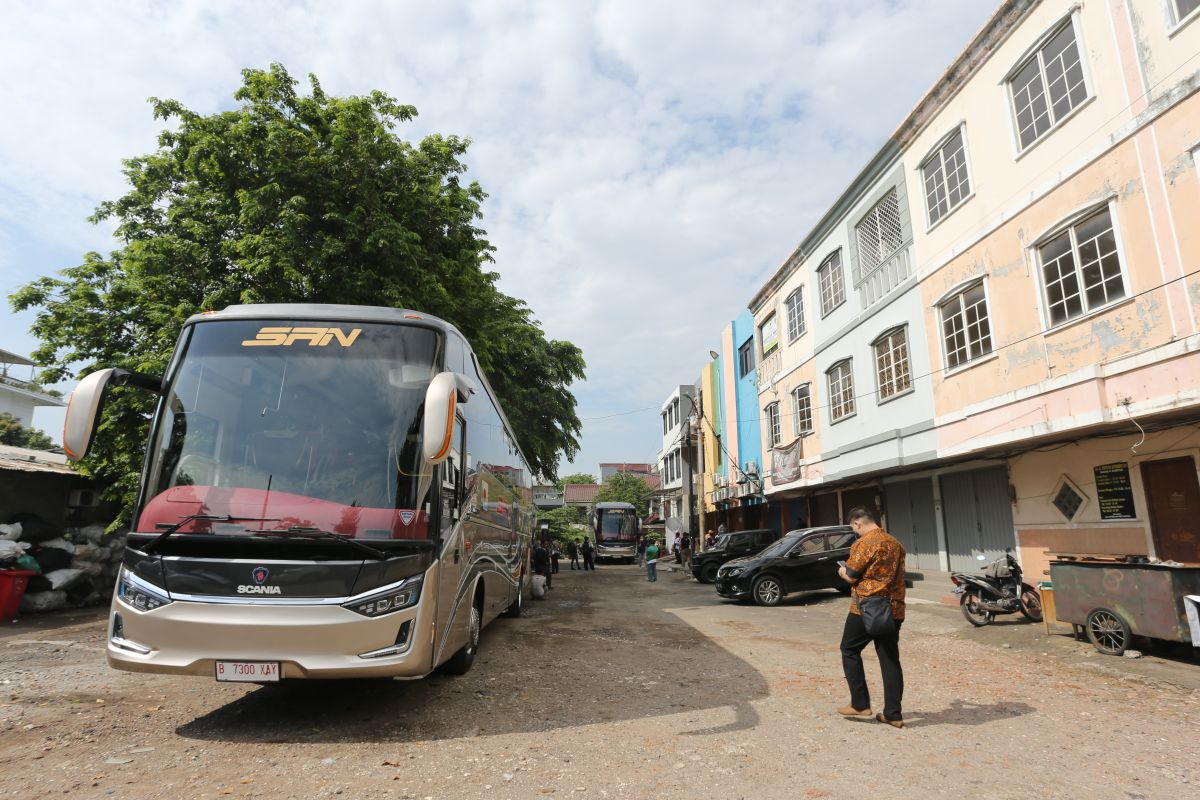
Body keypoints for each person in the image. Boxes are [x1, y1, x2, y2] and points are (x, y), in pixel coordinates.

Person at [836, 506, 906, 729]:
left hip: (866, 609)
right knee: (890, 659)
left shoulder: (865, 543)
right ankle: (893, 714)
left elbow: (852, 574)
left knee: (849, 649)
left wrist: (842, 573)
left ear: (857, 523)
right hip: (893, 609)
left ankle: (860, 704)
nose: (855, 532)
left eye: (853, 528)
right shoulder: (896, 543)